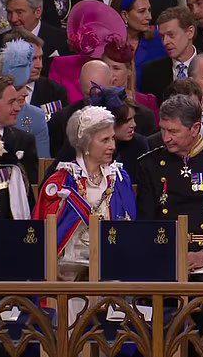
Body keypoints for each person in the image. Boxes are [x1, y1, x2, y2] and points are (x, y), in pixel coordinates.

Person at [136, 94, 203, 271]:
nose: (165, 138)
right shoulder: (150, 164)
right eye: (163, 130)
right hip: (165, 255)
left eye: (173, 131)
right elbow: (146, 221)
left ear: (195, 128)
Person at [34, 104, 137, 279]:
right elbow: (43, 236)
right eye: (105, 140)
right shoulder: (61, 182)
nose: (112, 145)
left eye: (113, 139)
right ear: (86, 143)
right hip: (67, 273)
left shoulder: (119, 178)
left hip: (111, 270)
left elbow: (131, 229)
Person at [48, 59, 113, 155]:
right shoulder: (61, 119)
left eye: (98, 94)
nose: (93, 99)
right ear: (80, 85)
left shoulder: (127, 117)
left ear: (111, 83)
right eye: (88, 94)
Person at [111, 0, 165, 89]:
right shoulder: (109, 45)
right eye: (142, 11)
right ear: (125, 15)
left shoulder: (157, 42)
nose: (149, 17)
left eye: (149, 10)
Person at [141, 6, 199, 103]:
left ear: (190, 32)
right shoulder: (151, 72)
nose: (165, 42)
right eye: (162, 36)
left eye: (171, 35)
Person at [4, 0, 71, 61]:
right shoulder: (0, 41)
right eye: (9, 12)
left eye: (19, 12)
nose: (13, 19)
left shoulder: (61, 40)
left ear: (37, 12)